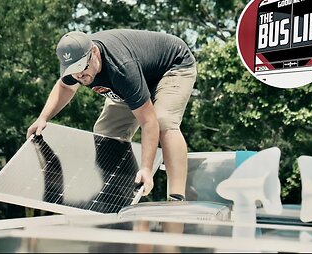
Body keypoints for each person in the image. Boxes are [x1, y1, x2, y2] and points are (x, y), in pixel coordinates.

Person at [26, 29, 197, 200]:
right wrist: (43, 118)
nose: (79, 76)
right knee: (105, 133)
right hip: (133, 80)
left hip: (172, 66)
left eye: (82, 68)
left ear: (94, 52)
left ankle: (176, 197)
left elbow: (148, 122)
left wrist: (146, 168)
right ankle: (125, 195)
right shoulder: (77, 63)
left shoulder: (121, 68)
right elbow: (65, 87)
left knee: (163, 121)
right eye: (73, 71)